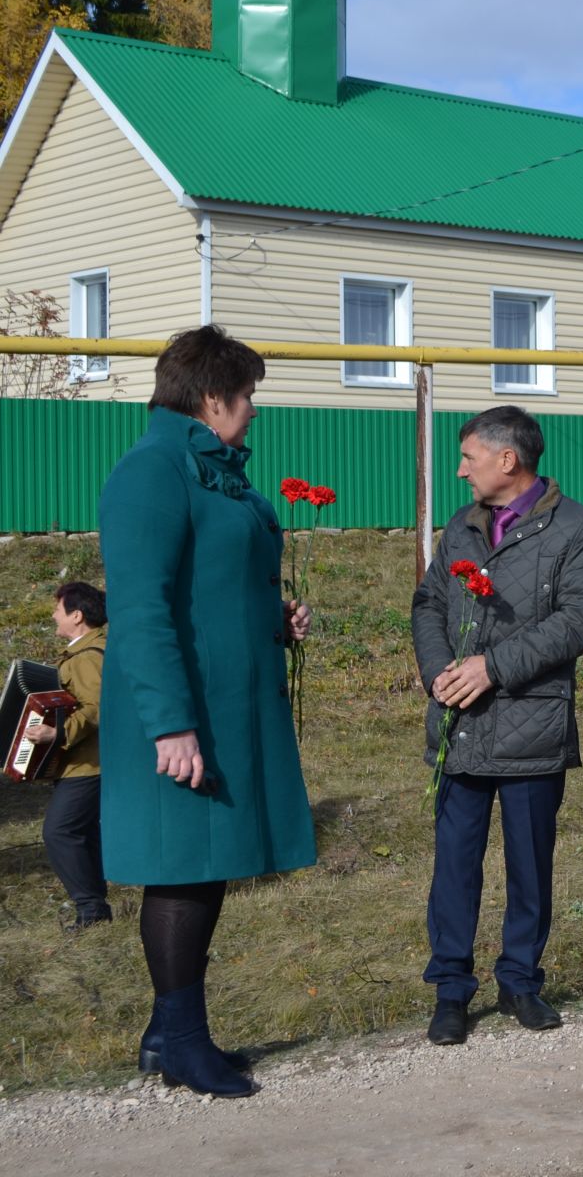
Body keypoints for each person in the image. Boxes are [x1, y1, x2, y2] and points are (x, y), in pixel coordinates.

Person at [98, 324, 316, 1098]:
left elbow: (215, 581)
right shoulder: (152, 472)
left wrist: (270, 617)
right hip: (181, 712)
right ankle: (183, 1041)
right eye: (248, 396)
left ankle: (169, 1033)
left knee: (207, 867)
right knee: (182, 870)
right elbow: (141, 608)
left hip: (228, 705)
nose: (254, 410)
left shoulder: (204, 469)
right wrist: (170, 723)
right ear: (214, 399)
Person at [412, 406, 583, 1045]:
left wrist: (492, 668)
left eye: (469, 457)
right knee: (454, 867)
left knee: (530, 864)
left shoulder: (576, 529)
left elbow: (578, 620)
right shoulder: (461, 527)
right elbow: (430, 603)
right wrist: (442, 671)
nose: (461, 468)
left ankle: (522, 981)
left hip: (531, 725)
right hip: (460, 723)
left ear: (507, 459)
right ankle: (451, 990)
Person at [23, 582, 111, 929]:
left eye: (58, 609)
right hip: (88, 760)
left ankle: (90, 908)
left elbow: (96, 707)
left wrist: (57, 733)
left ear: (77, 615)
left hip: (88, 762)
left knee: (59, 831)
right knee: (83, 830)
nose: (53, 615)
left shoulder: (88, 657)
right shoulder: (88, 651)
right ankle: (96, 906)